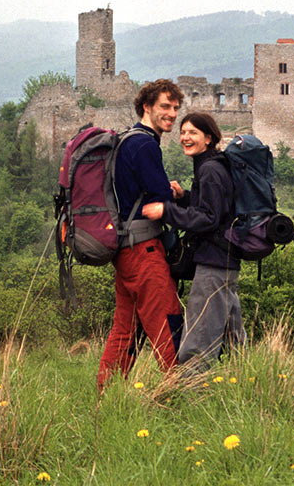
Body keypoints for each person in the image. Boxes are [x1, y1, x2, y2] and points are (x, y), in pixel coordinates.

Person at [96, 79, 185, 391]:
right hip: (144, 250)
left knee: (126, 328)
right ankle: (178, 392)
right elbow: (159, 196)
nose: (172, 114)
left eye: (175, 108)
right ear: (146, 107)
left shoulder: (125, 140)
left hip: (124, 249)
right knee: (167, 318)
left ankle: (106, 395)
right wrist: (173, 192)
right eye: (165, 106)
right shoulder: (146, 144)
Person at [141, 112, 244, 375]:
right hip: (225, 260)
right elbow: (217, 210)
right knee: (234, 338)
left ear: (208, 138)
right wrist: (185, 197)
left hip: (213, 261)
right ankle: (245, 382)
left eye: (193, 133)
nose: (185, 137)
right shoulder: (211, 165)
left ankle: (189, 393)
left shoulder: (209, 170)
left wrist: (165, 211)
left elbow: (208, 219)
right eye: (183, 132)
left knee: (198, 335)